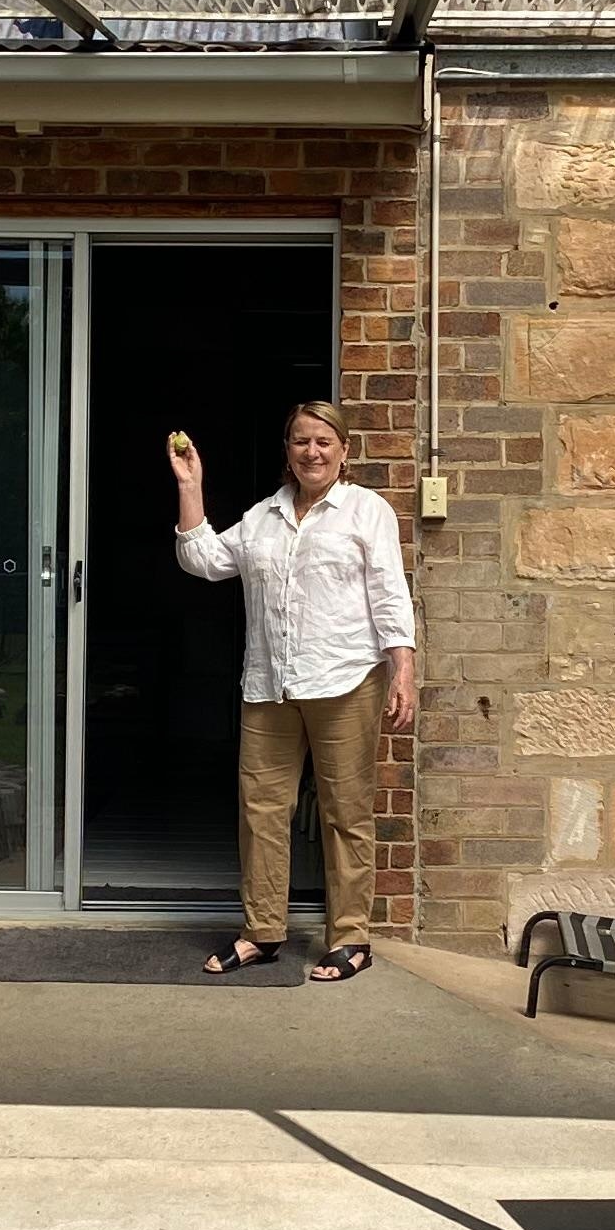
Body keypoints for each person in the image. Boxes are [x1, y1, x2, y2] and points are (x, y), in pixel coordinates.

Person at [169, 400, 417, 982]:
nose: (313, 452)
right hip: (269, 683)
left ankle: (351, 937)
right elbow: (202, 560)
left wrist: (401, 669)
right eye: (302, 441)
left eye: (324, 442)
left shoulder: (366, 511)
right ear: (289, 451)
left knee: (345, 813)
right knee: (261, 811)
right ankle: (262, 931)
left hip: (345, 680)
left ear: (344, 451)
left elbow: (389, 593)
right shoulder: (263, 517)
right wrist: (191, 486)